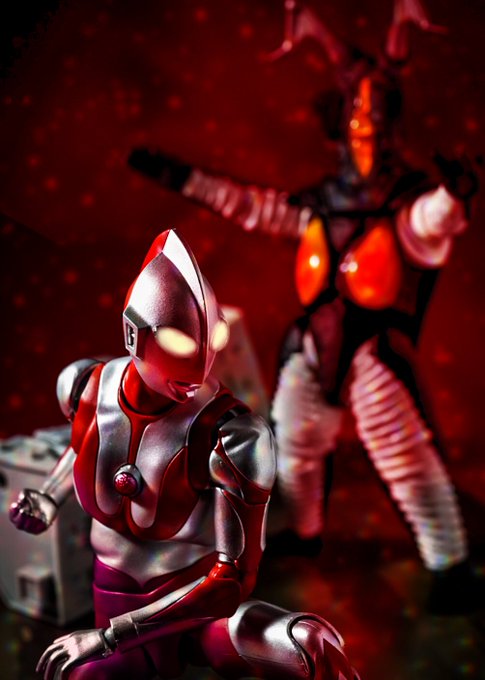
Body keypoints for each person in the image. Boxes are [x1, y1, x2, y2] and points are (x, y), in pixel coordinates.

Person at [128, 1, 479, 613]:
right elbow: (251, 205)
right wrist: (183, 178)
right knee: (293, 444)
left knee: (405, 459)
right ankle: (307, 531)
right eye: (357, 114)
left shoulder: (405, 204)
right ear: (340, 123)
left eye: (376, 115)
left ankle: (448, 561)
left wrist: (454, 195)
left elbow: (428, 224)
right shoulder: (318, 203)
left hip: (373, 352)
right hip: (312, 345)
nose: (365, 128)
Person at [9, 229, 359, 679]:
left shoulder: (234, 435)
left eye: (214, 339)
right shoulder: (85, 388)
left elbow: (232, 580)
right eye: (179, 343)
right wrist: (50, 496)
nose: (199, 367)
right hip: (112, 604)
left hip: (195, 613)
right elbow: (85, 446)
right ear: (133, 333)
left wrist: (111, 636)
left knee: (309, 645)